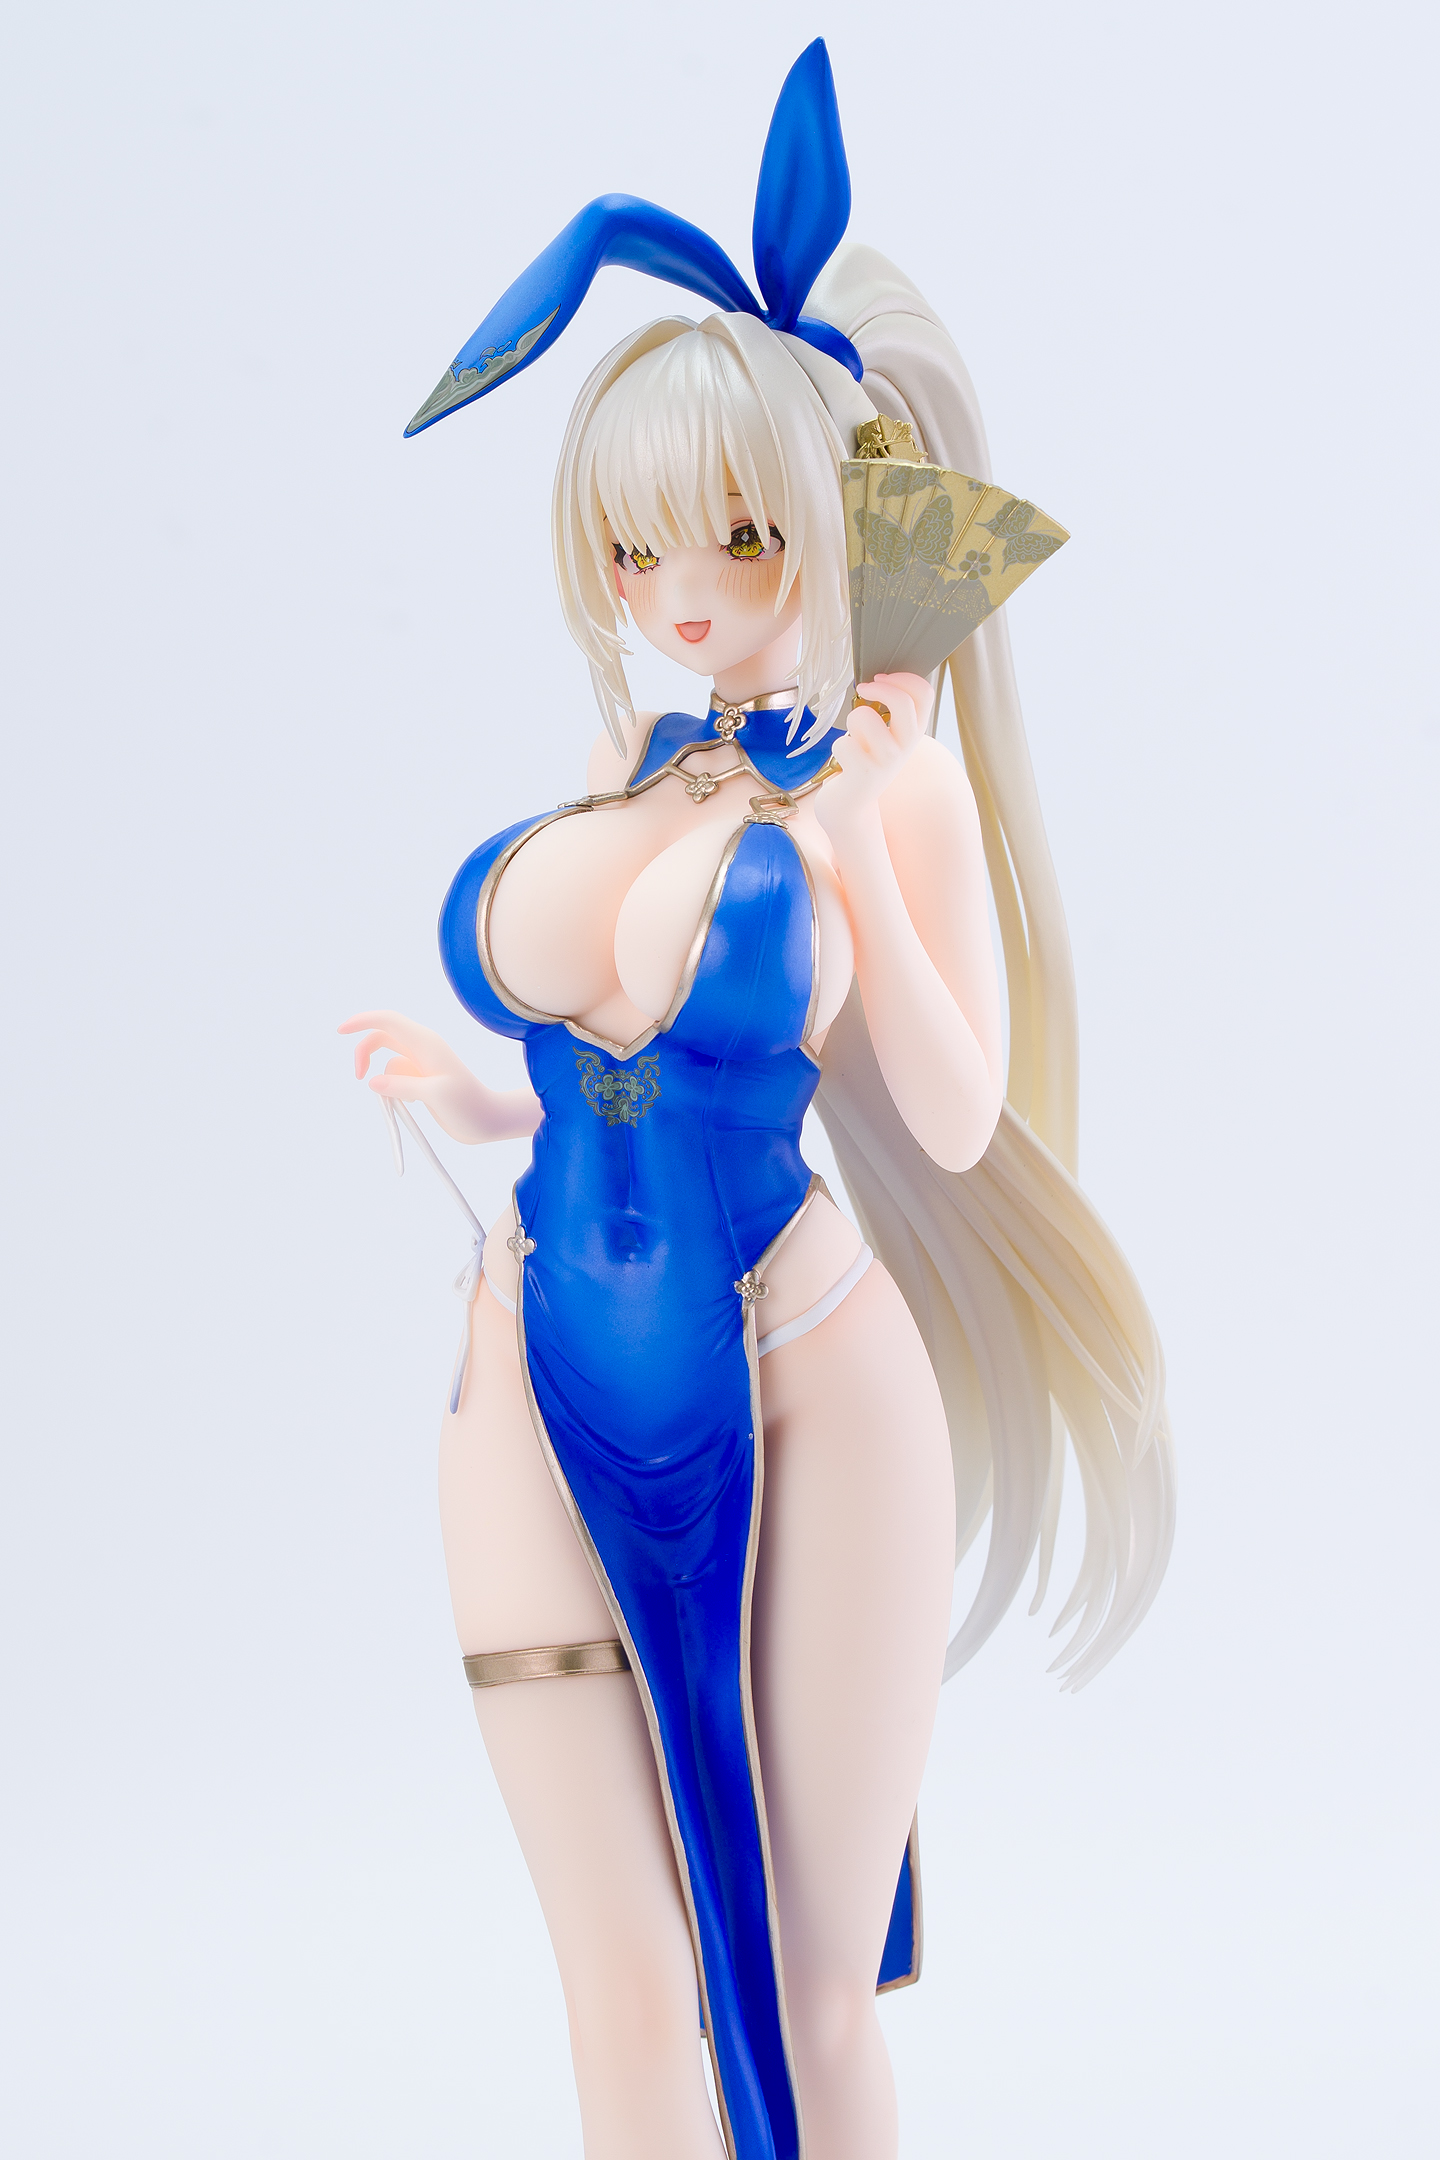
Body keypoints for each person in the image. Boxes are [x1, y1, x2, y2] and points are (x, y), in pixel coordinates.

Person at [340, 42, 1173, 2160]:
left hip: (802, 1362)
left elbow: (960, 1125)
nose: (681, 594)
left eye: (731, 534)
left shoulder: (893, 782)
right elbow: (601, 1068)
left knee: (794, 1987)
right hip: (526, 1356)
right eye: (635, 550)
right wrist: (469, 1101)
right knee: (623, 1988)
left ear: (834, 513)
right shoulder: (635, 770)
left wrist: (872, 854)